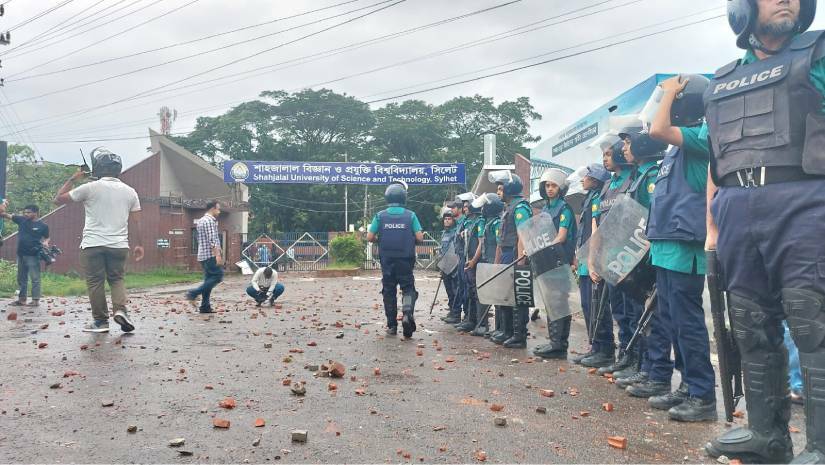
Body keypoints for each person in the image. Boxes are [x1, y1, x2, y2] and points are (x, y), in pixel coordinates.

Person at [703, 0, 825, 462]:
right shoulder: (721, 80)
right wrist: (712, 222)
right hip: (737, 207)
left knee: (811, 320)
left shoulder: (818, 55)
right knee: (751, 325)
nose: (787, 0)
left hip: (805, 201)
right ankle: (767, 435)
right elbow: (712, 150)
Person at [642, 74, 717, 422]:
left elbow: (657, 129)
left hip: (686, 248)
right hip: (667, 246)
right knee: (672, 321)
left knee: (688, 324)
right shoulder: (676, 149)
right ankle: (687, 386)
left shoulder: (700, 136)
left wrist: (670, 90)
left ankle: (702, 395)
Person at [53, 147, 143, 333]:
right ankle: (120, 310)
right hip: (119, 245)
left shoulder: (90, 187)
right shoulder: (130, 192)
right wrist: (139, 244)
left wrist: (73, 178)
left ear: (98, 168)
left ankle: (101, 322)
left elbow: (58, 199)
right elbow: (136, 221)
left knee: (95, 282)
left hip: (93, 244)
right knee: (117, 279)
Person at [613, 129, 667, 392]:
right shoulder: (639, 176)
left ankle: (652, 372)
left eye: (628, 143)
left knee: (650, 317)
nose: (624, 148)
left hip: (644, 257)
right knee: (638, 315)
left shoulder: (652, 176)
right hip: (632, 258)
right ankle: (641, 367)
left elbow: (650, 217)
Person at [587, 141, 635, 374]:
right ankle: (624, 357)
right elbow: (597, 226)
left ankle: (634, 359)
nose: (606, 159)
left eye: (608, 154)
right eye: (603, 155)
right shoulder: (607, 186)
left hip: (628, 254)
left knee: (631, 311)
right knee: (618, 309)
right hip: (608, 255)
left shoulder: (632, 178)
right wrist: (594, 257)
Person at [367, 181, 424, 338]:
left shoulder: (380, 216)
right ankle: (407, 314)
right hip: (405, 260)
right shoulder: (411, 215)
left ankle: (392, 326)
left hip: (387, 260)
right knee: (408, 288)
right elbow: (419, 237)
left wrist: (382, 237)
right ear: (403, 197)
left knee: (389, 291)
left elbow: (369, 236)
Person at [572, 164, 614, 366]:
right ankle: (594, 346)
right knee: (588, 305)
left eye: (586, 176)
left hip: (594, 259)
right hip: (584, 261)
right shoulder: (588, 199)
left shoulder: (599, 198)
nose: (583, 179)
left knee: (598, 307)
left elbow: (597, 231)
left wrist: (594, 260)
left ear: (595, 180)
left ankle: (604, 350)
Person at [532, 168, 577, 359]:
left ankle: (559, 345)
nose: (550, 189)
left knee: (559, 301)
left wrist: (539, 245)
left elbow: (561, 236)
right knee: (551, 301)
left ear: (561, 188)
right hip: (547, 260)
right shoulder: (545, 209)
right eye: (547, 185)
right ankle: (554, 342)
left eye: (553, 185)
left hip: (560, 259)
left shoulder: (564, 209)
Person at [489, 170, 532, 348]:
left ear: (509, 189)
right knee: (506, 294)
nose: (498, 193)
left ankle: (518, 335)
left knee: (517, 296)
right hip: (506, 254)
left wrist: (521, 260)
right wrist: (497, 262)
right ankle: (507, 331)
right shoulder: (508, 208)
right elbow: (501, 240)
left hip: (516, 254)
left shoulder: (521, 207)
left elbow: (523, 234)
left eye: (501, 189)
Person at [469, 192, 503, 337]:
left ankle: (497, 328)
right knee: (481, 294)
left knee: (497, 298)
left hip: (492, 263)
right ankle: (482, 325)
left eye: (484, 206)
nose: (482, 209)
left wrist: (495, 265)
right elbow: (481, 243)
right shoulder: (487, 222)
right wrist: (473, 261)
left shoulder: (496, 223)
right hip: (484, 263)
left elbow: (499, 245)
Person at [2, 205, 49, 307]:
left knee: (35, 278)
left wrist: (46, 242)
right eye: (25, 212)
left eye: (28, 212)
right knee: (21, 278)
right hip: (21, 254)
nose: (25, 214)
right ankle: (22, 300)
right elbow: (6, 215)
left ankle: (35, 300)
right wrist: (2, 209)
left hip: (33, 255)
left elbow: (47, 237)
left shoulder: (43, 226)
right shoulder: (21, 220)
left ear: (35, 213)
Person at [186, 201, 224, 314]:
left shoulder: (201, 221)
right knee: (218, 276)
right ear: (213, 208)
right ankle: (193, 293)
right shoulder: (208, 221)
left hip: (203, 255)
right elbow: (211, 239)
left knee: (208, 280)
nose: (219, 211)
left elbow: (200, 239)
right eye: (218, 209)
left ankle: (205, 307)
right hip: (210, 255)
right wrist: (217, 255)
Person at [457, 195, 485, 333]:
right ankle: (470, 319)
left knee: (477, 292)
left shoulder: (480, 221)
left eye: (468, 206)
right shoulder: (468, 222)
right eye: (464, 206)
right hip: (468, 260)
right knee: (469, 291)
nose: (465, 208)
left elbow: (481, 242)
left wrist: (474, 260)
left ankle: (480, 323)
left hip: (476, 262)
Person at [442, 199, 467, 324]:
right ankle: (453, 311)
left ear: (460, 208)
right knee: (451, 290)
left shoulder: (462, 223)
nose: (451, 211)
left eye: (453, 208)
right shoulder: (451, 228)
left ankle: (457, 314)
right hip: (448, 262)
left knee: (458, 289)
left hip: (458, 261)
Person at [438, 207, 460, 318]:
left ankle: (456, 313)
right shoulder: (443, 234)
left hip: (454, 266)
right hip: (445, 266)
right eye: (445, 219)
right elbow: (442, 250)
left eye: (449, 219)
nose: (447, 220)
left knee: (455, 290)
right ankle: (451, 310)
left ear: (453, 220)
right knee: (449, 290)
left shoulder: (456, 233)